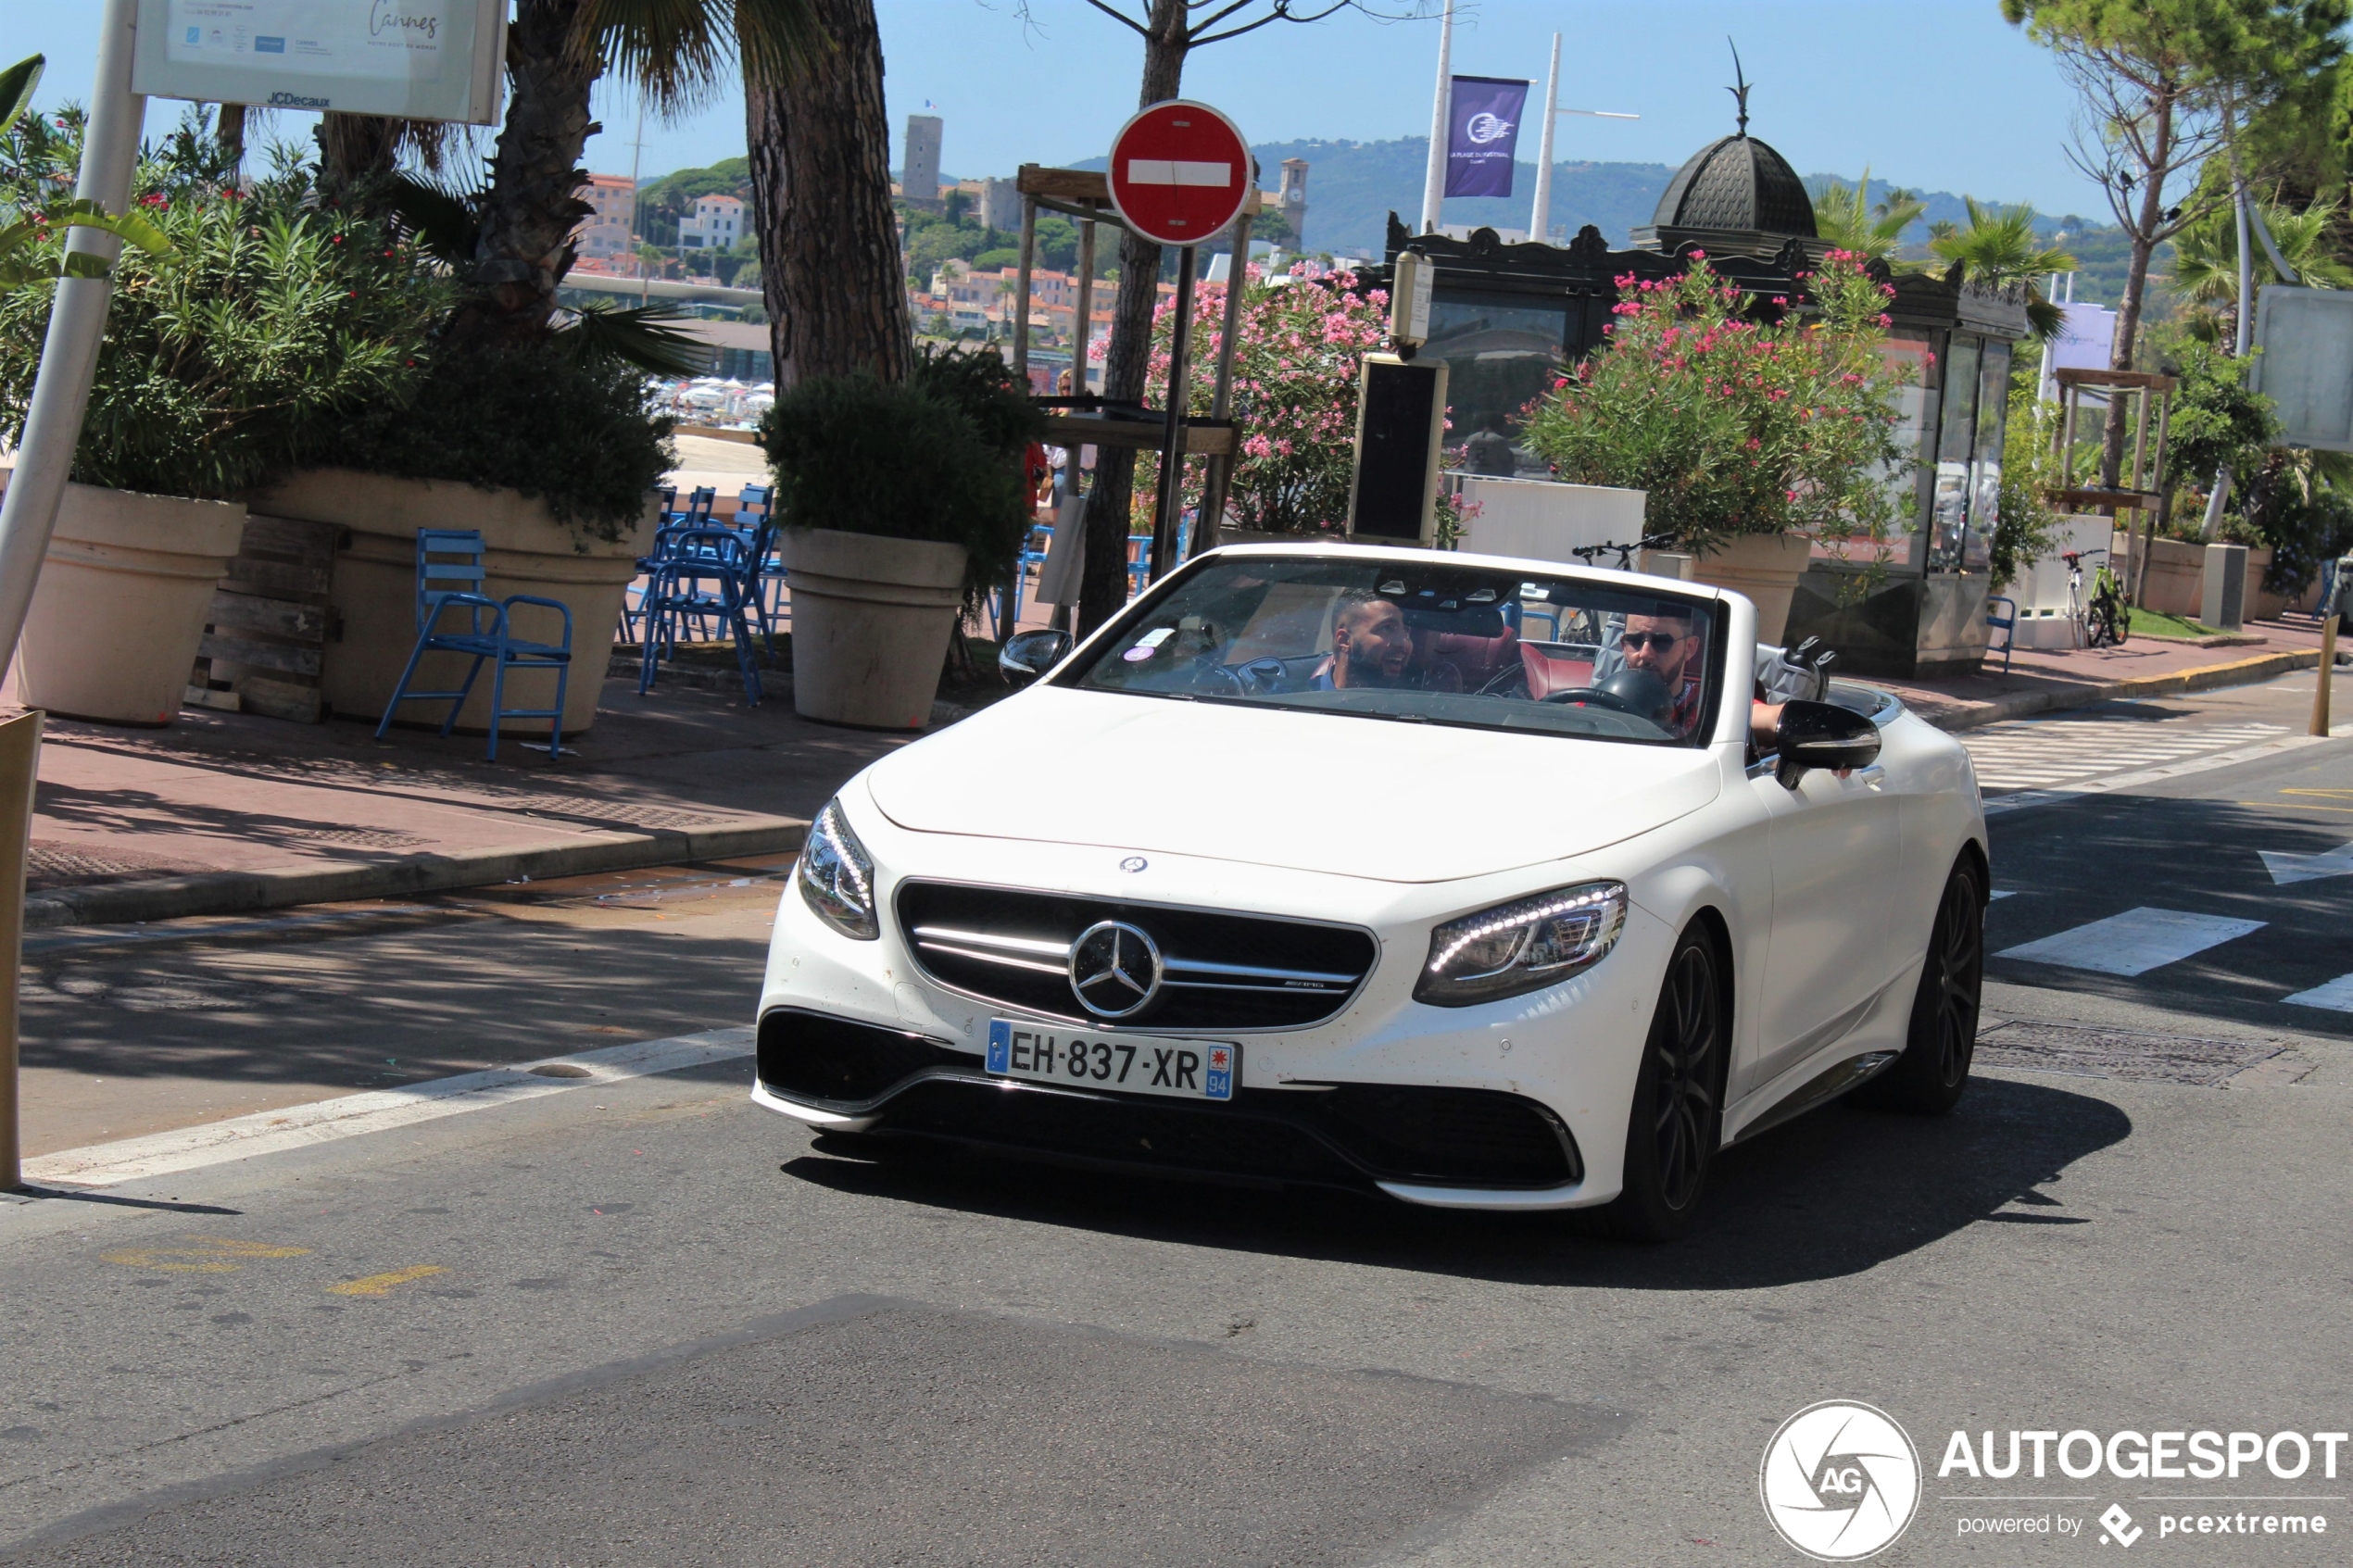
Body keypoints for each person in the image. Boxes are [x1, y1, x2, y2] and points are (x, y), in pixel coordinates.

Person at [1617, 602, 1790, 748]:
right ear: (1623, 645)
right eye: (1635, 641)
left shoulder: (1712, 709)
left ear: (1690, 647)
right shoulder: (1596, 702)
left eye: (1662, 641)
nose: (1645, 653)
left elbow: (1770, 718)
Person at [1313, 591, 1414, 689]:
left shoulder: (1417, 703)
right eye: (1386, 628)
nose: (1404, 643)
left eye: (1406, 631)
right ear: (1344, 640)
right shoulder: (1301, 700)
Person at [1463, 413, 1516, 477]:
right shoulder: (1500, 440)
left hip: (1470, 477)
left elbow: (1463, 458)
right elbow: (1506, 463)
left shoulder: (1471, 438)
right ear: (1499, 425)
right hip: (1491, 480)